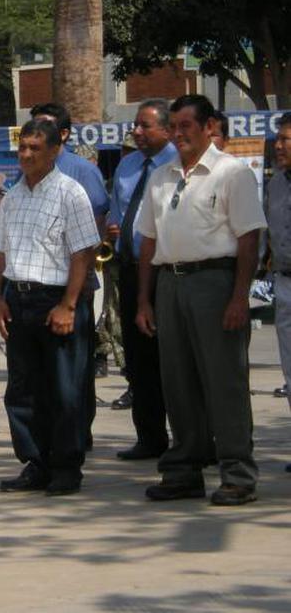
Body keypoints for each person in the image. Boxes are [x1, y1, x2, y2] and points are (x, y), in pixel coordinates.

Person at [135, 94, 266, 506]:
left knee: (224, 381)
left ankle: (237, 473)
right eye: (173, 127)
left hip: (215, 282)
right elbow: (148, 240)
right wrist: (144, 300)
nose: (178, 135)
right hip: (171, 283)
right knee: (178, 383)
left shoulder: (232, 173)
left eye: (186, 127)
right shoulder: (162, 176)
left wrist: (239, 297)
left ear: (209, 127)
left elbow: (249, 239)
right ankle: (184, 470)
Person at [0, 119, 100, 496]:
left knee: (65, 391)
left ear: (54, 151)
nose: (25, 155)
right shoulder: (13, 197)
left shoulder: (71, 193)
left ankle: (66, 466)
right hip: (19, 300)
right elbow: (0, 252)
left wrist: (69, 305)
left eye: (35, 148)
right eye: (22, 147)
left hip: (57, 301)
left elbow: (83, 253)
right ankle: (35, 463)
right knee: (23, 389)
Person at [30, 102, 108, 449]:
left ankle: (79, 434)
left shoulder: (79, 170)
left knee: (74, 371)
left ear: (62, 135)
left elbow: (94, 226)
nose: (36, 136)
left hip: (73, 283)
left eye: (44, 128)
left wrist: (78, 287)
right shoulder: (29, 169)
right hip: (36, 285)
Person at [106, 100, 176, 460]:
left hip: (168, 272)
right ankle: (149, 436)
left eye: (145, 126)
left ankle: (187, 438)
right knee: (138, 359)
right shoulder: (128, 165)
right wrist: (113, 230)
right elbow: (118, 213)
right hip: (131, 269)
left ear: (166, 129)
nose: (136, 131)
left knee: (173, 359)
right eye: (135, 125)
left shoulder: (177, 164)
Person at [267, 112, 291, 471]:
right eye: (279, 140)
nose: (280, 146)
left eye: (287, 140)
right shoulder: (275, 184)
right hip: (285, 282)